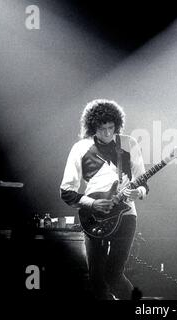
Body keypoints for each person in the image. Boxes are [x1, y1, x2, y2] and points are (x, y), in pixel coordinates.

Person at [60, 99, 149, 300]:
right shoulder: (80, 148)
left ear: (117, 125)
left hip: (126, 215)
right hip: (93, 217)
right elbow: (66, 190)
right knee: (96, 279)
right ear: (92, 128)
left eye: (111, 128)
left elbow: (143, 182)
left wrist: (139, 191)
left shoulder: (129, 143)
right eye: (102, 129)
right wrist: (91, 203)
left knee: (114, 274)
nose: (108, 133)